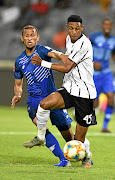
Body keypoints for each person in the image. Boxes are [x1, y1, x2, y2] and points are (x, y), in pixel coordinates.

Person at [24, 15, 97, 168]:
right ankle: (41, 137)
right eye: (71, 28)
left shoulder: (84, 44)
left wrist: (42, 62)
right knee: (44, 104)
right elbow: (67, 59)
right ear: (67, 28)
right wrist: (59, 55)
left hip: (84, 93)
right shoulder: (69, 40)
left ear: (82, 28)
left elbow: (67, 67)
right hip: (70, 88)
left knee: (78, 140)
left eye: (77, 28)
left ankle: (87, 157)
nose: (74, 31)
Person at [11, 25, 75, 167]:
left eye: (32, 35)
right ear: (22, 39)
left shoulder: (42, 50)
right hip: (34, 100)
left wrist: (63, 57)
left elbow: (55, 54)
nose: (30, 38)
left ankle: (82, 154)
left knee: (67, 134)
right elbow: (18, 83)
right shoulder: (19, 61)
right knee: (41, 127)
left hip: (53, 98)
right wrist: (18, 94)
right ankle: (63, 160)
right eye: (26, 36)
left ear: (37, 38)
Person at [88, 18, 115, 133]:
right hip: (94, 74)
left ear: (111, 26)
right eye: (105, 24)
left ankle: (105, 127)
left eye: (109, 24)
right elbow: (83, 51)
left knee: (111, 97)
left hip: (106, 73)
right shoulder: (93, 37)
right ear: (102, 25)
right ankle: (79, 113)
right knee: (95, 103)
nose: (107, 26)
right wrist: (92, 63)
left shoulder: (114, 41)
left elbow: (114, 55)